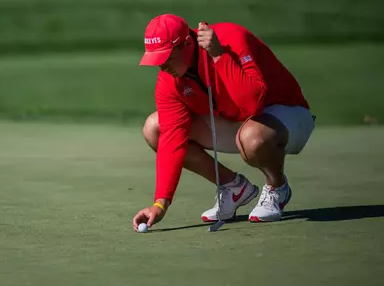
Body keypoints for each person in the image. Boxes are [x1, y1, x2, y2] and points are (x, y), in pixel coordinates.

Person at [132, 14, 315, 232]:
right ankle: (234, 187)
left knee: (252, 137)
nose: (162, 67)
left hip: (286, 117)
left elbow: (252, 105)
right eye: (157, 61)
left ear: (187, 44)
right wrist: (160, 203)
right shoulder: (169, 79)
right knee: (156, 128)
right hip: (237, 123)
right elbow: (172, 138)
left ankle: (277, 187)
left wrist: (219, 56)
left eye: (166, 58)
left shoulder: (231, 38)